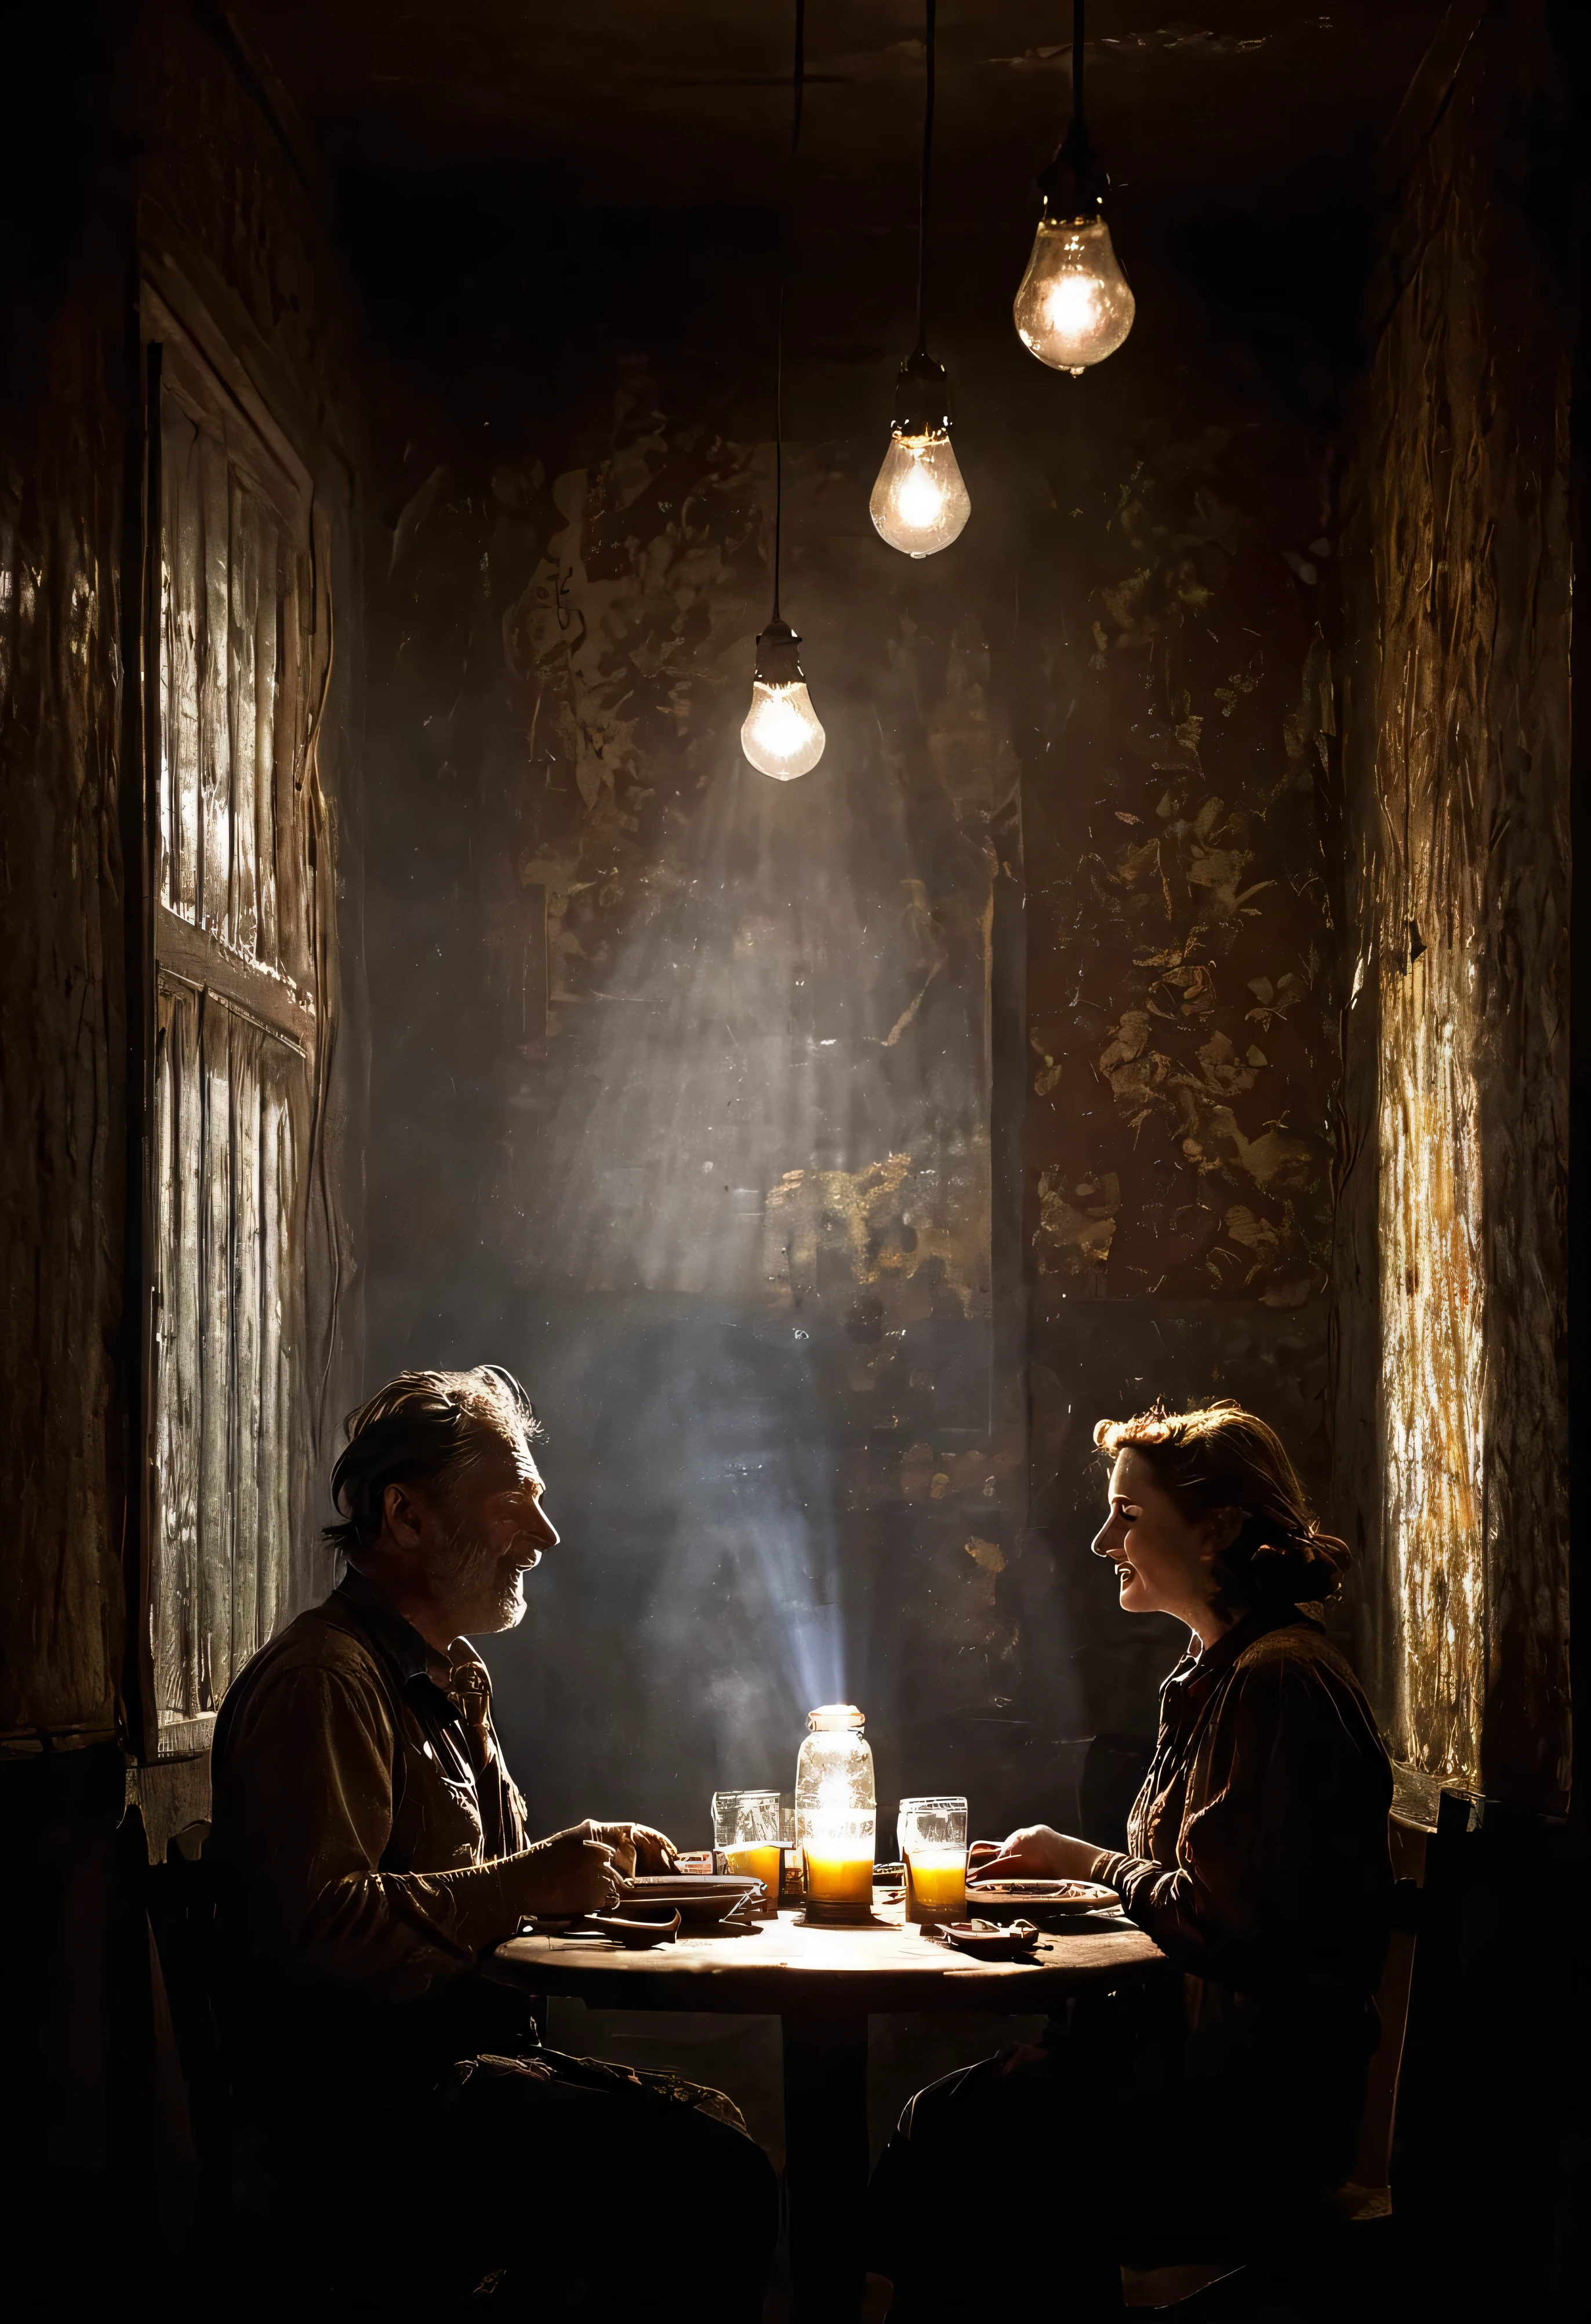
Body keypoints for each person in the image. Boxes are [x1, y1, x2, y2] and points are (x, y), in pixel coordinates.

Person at [208, 1365, 778, 2314]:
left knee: (714, 2134)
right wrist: (526, 1884)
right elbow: (313, 1926)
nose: (546, 1537)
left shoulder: (447, 1677)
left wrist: (587, 1867)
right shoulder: (327, 1679)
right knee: (712, 2177)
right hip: (376, 2117)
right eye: (517, 1505)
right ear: (408, 1516)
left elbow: (485, 1889)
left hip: (459, 2079)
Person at [867, 1400, 1394, 2319]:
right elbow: (1211, 1883)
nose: (1104, 1540)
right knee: (950, 2123)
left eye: (1128, 1514)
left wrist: (1089, 1863)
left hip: (1247, 2116)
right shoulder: (1216, 1673)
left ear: (1218, 1527)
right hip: (1190, 2072)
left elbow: (1222, 1919)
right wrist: (1070, 1867)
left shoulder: (1276, 1681)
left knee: (960, 2135)